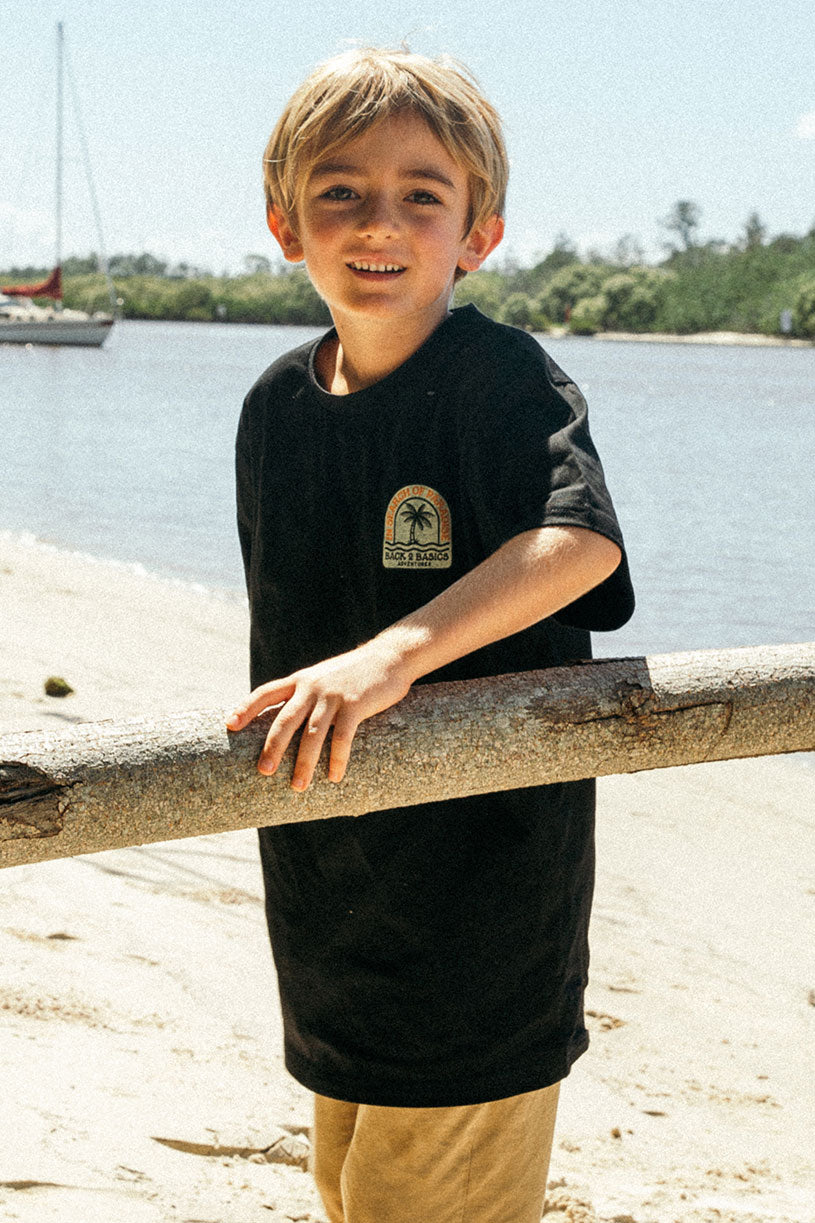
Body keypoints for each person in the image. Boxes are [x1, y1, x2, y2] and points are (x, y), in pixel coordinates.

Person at [227, 46, 634, 1223]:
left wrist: (390, 654)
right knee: (350, 1189)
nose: (378, 218)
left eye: (422, 192)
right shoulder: (273, 408)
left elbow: (578, 546)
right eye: (339, 189)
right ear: (284, 224)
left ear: (478, 235)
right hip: (327, 888)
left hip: (482, 907)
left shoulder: (504, 377)